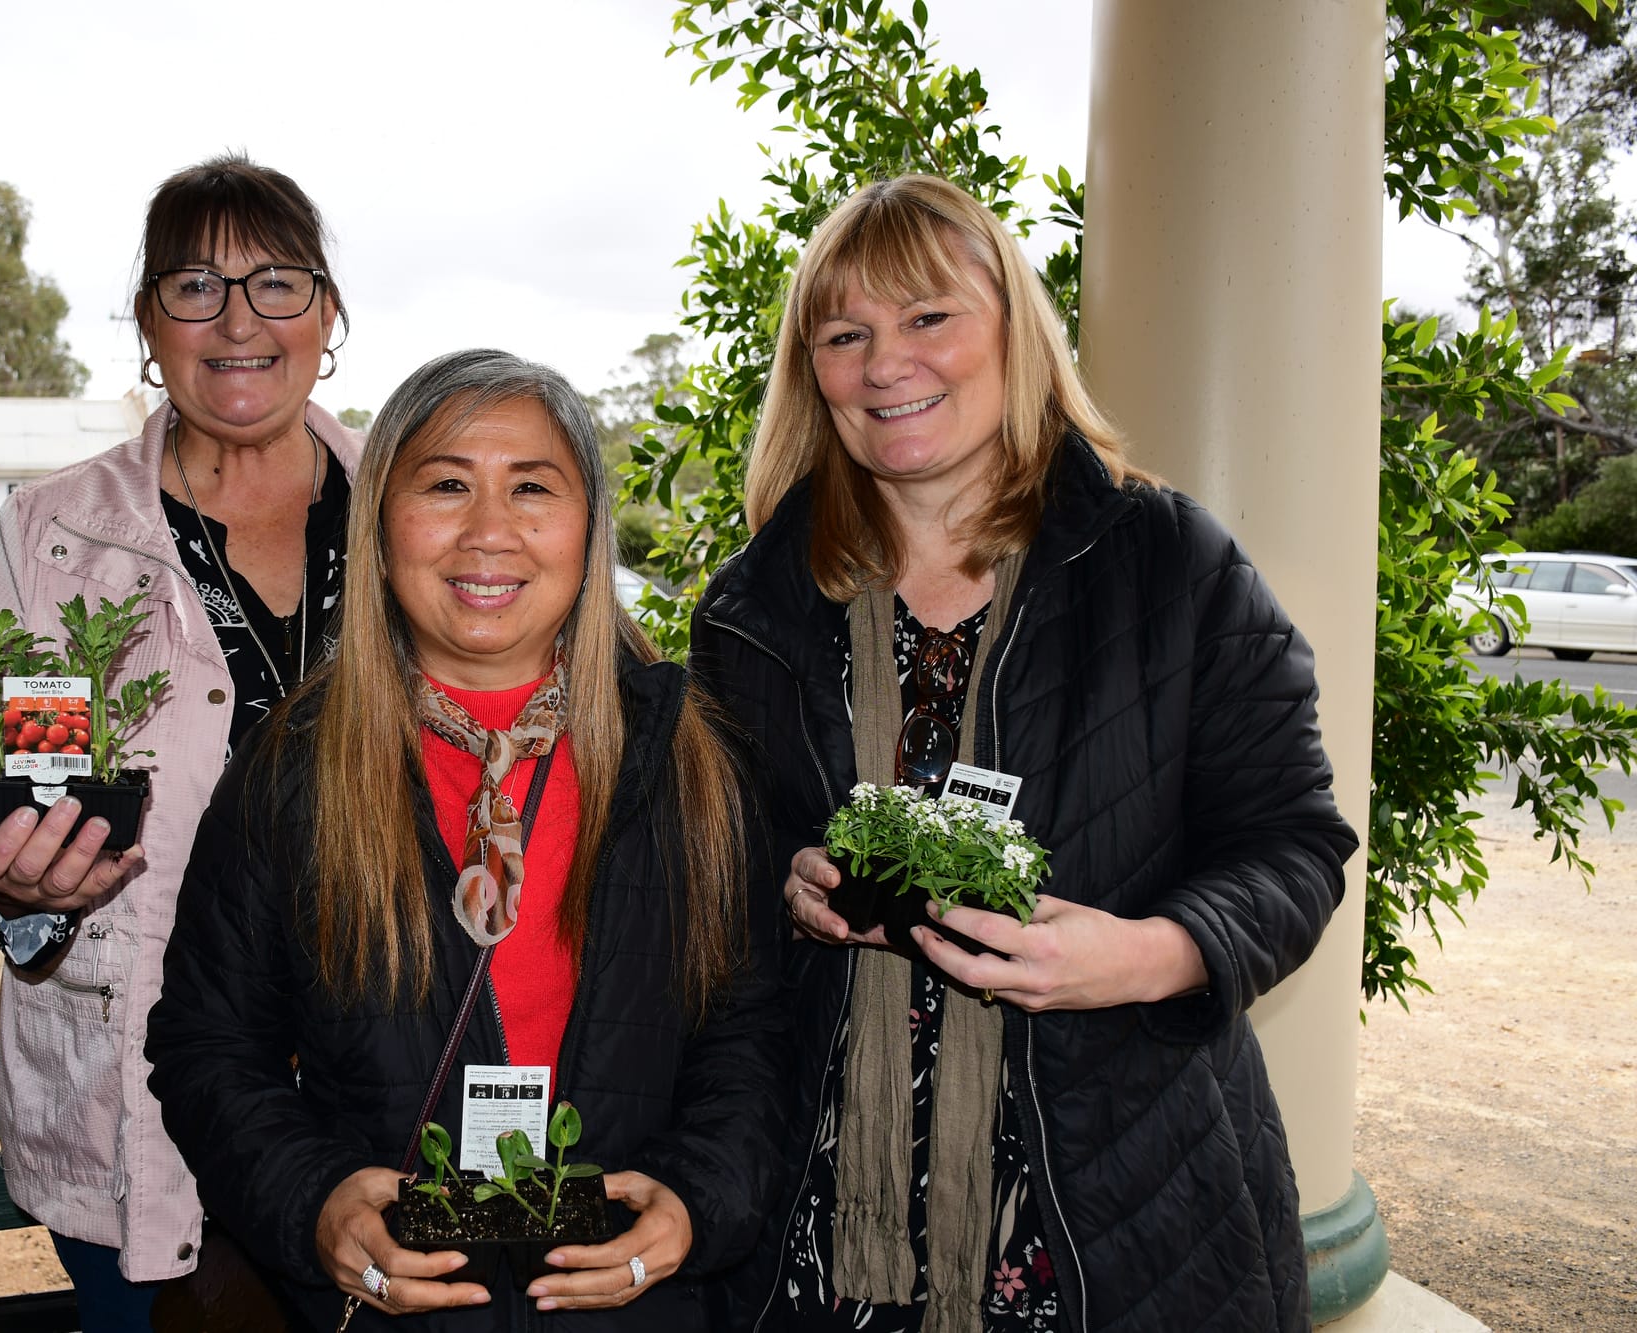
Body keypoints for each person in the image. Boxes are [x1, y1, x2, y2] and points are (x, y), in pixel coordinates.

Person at [688, 174, 1359, 1331]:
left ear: (1014, 330)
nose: (885, 362)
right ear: (814, 375)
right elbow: (699, 890)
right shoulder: (754, 608)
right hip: (820, 1226)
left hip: (1112, 1213)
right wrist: (776, 884)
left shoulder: (1169, 566)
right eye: (844, 334)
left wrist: (1148, 955)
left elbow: (1290, 845)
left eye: (928, 317)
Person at [145, 348, 789, 1330]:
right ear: (380, 524)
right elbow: (206, 1049)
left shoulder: (691, 765)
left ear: (586, 527)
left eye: (532, 487)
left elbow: (749, 1044)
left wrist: (697, 1200)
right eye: (445, 484)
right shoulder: (294, 771)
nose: (489, 530)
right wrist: (311, 1197)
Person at [0, 153, 363, 1327]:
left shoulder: (414, 502)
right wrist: (3, 886)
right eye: (194, 286)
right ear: (149, 325)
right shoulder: (54, 533)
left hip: (379, 1078)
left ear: (329, 316)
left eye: (277, 283)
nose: (238, 320)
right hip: (130, 1100)